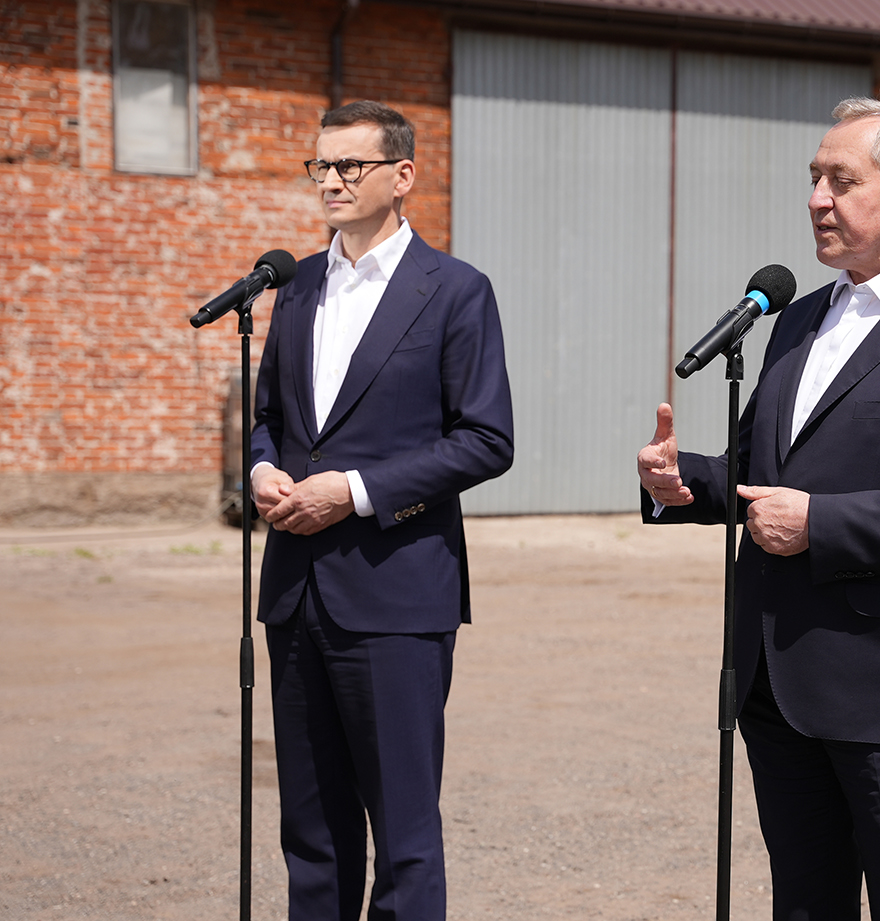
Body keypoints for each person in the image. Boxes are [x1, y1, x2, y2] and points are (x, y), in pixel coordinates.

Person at [636, 97, 880, 920]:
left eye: (841, 180)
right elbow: (764, 475)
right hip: (776, 684)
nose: (817, 197)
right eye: (814, 178)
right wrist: (684, 482)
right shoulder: (801, 315)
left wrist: (819, 522)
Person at [249, 100, 513, 921]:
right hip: (296, 593)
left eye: (347, 166)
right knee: (312, 831)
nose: (329, 180)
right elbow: (269, 416)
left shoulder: (456, 291)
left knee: (402, 830)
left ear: (402, 176)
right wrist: (261, 466)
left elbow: (485, 439)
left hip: (397, 592)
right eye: (319, 166)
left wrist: (355, 491)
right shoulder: (294, 288)